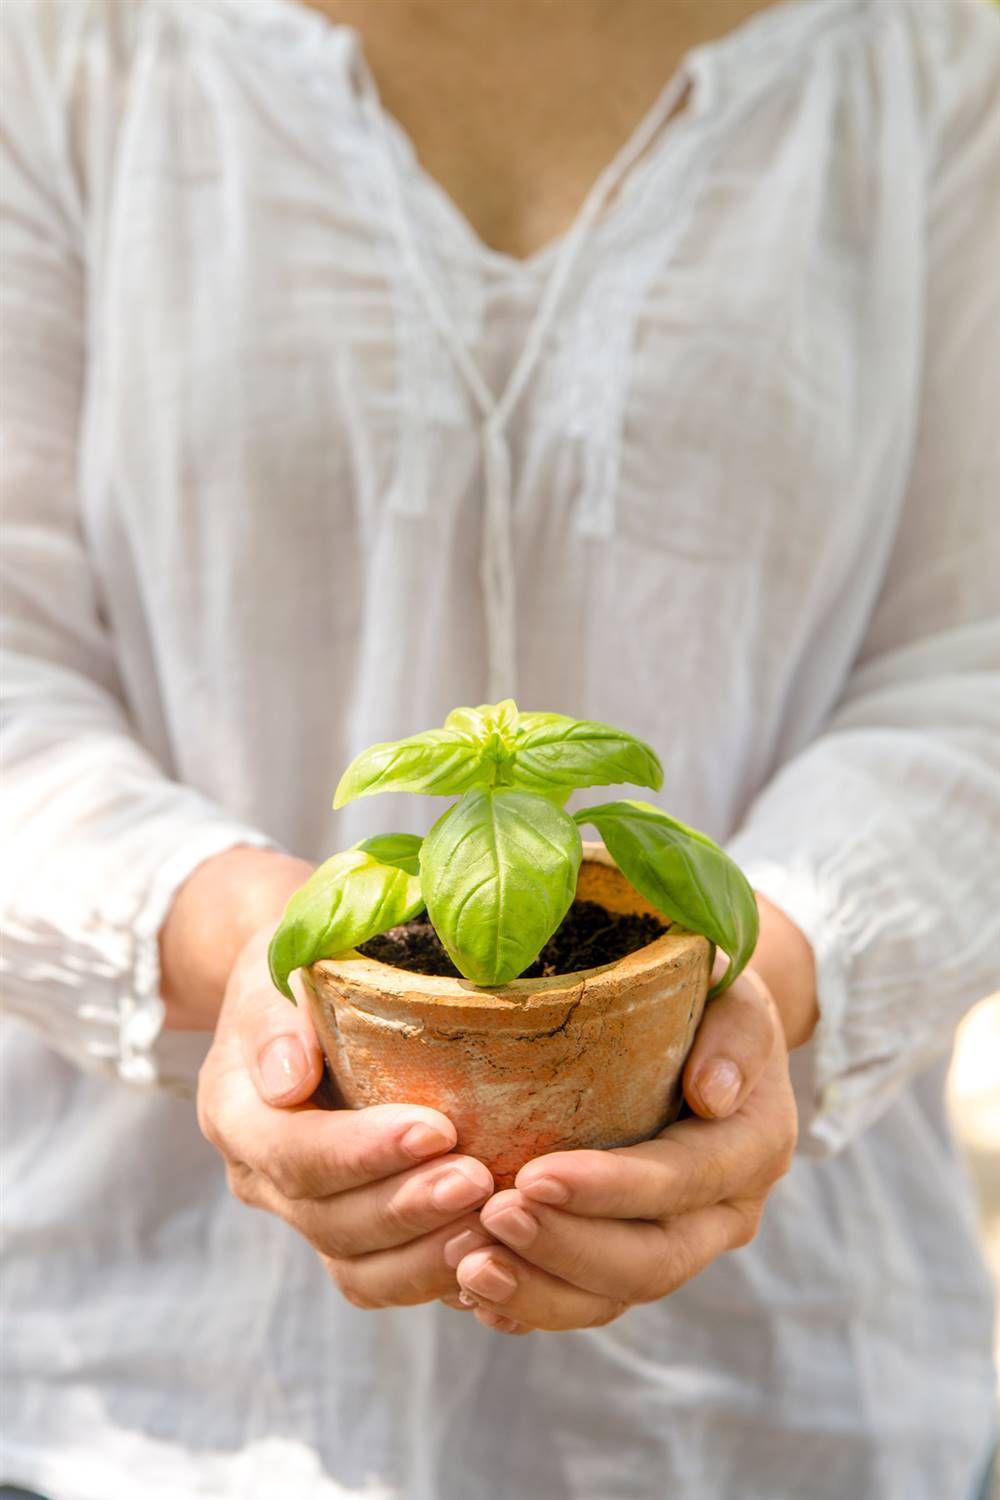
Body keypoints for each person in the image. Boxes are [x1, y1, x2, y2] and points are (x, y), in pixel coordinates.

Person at [2, 0, 998, 1496]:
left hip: (786, 1406)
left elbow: (970, 657)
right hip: (149, 1396)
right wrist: (242, 948)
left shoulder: (933, 60)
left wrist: (774, 968)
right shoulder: (69, 47)